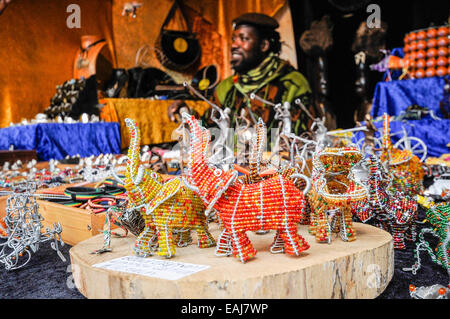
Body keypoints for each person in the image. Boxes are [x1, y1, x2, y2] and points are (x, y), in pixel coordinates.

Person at [169, 12, 317, 139]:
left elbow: (304, 140)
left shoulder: (292, 84)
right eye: (234, 39)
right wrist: (187, 114)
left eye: (244, 39)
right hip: (233, 169)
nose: (234, 45)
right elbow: (210, 131)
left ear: (264, 45)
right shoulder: (227, 88)